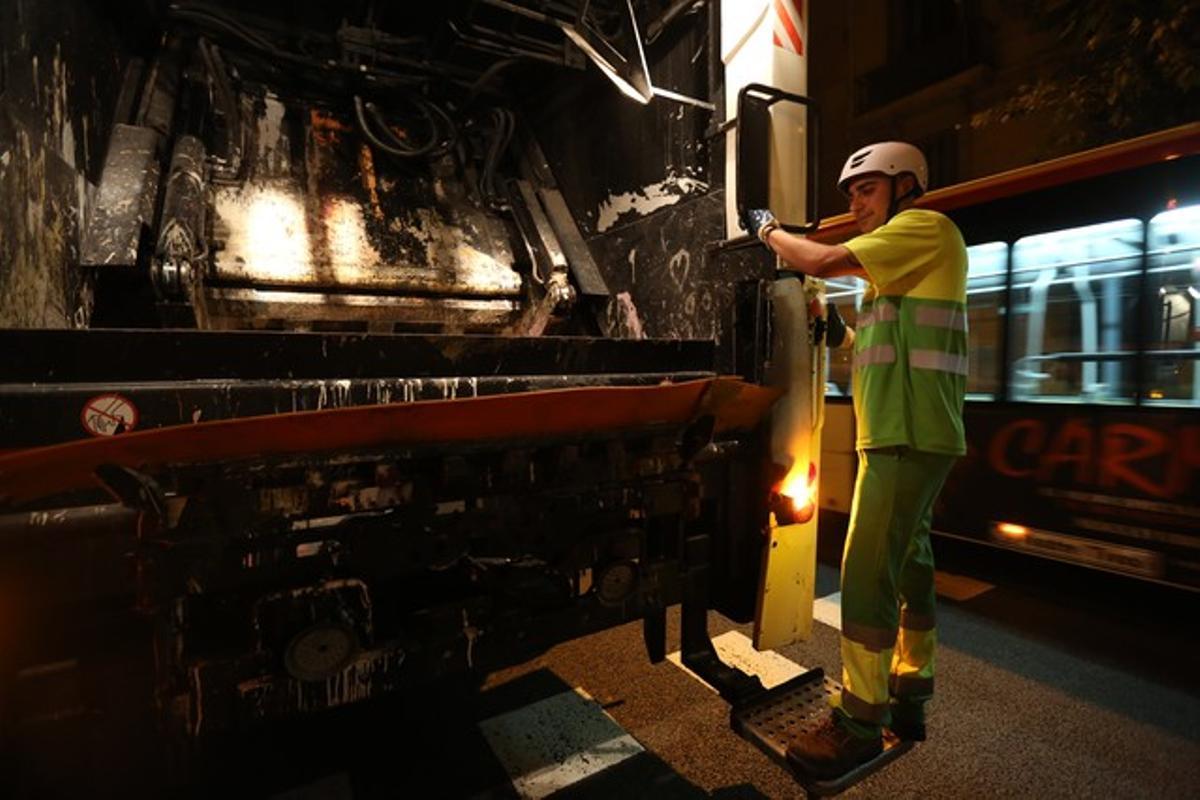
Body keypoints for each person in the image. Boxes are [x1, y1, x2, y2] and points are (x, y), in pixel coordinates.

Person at [741, 141, 968, 779]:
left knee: (866, 572)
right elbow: (864, 339)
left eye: (865, 188)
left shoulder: (925, 227)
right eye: (850, 193)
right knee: (912, 567)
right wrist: (827, 319)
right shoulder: (897, 269)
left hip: (907, 436)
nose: (854, 202)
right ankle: (910, 696)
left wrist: (768, 231)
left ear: (905, 186)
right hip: (911, 435)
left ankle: (858, 724)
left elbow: (829, 256)